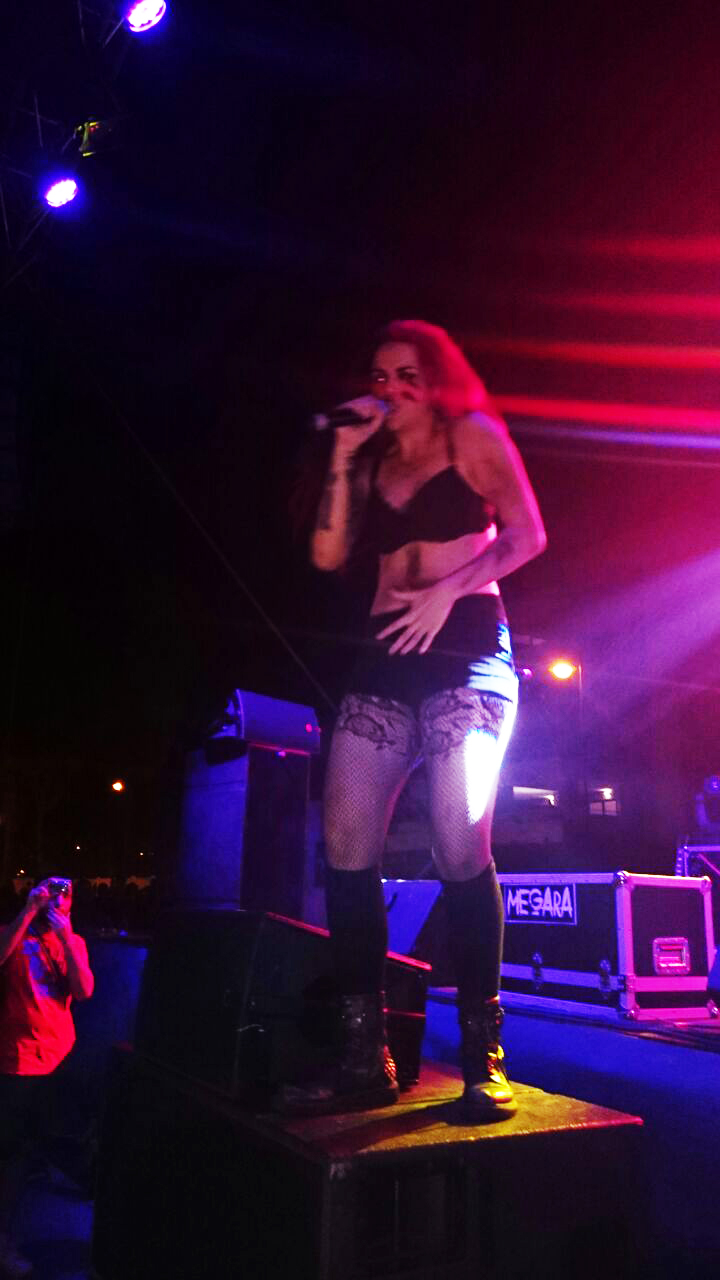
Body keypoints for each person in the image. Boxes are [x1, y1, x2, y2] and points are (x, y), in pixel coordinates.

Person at [280, 319, 546, 1120]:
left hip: (466, 647)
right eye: (379, 375)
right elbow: (327, 556)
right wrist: (340, 451)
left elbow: (529, 534)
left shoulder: (472, 435)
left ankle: (482, 1057)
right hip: (384, 656)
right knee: (345, 844)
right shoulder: (372, 461)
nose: (391, 388)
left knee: (458, 839)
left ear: (436, 381)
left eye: (406, 375)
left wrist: (447, 591)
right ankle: (364, 1058)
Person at [0, 878, 94, 1279]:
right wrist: (28, 911)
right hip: (17, 1059)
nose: (57, 899)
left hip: (58, 1058)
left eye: (64, 894)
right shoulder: (14, 931)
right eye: (50, 892)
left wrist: (65, 936)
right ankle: (4, 1242)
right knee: (12, 1155)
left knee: (52, 1142)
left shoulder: (72, 940)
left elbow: (84, 990)